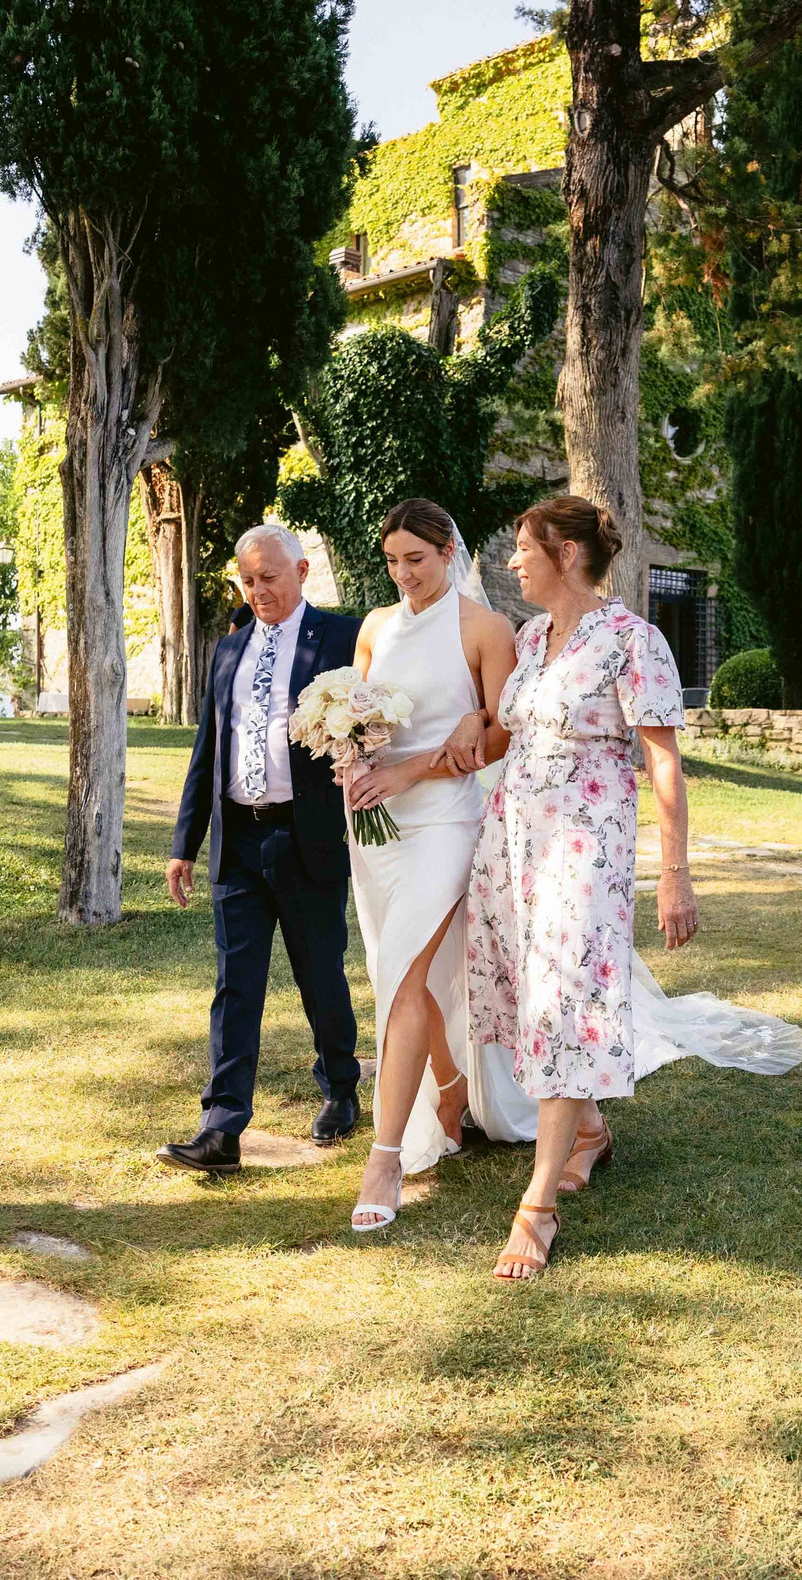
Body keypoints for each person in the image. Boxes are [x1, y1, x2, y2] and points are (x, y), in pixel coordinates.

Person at [465, 495, 802, 1280]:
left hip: (585, 852)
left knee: (564, 1001)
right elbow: (510, 728)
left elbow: (663, 764)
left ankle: (537, 1208)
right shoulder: (527, 637)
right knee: (528, 998)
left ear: (567, 554)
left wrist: (676, 873)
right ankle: (587, 1133)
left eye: (524, 548)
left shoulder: (633, 641)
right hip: (512, 844)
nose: (514, 561)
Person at [338, 500, 522, 1232]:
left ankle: (384, 1157)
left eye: (416, 558)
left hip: (445, 819)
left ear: (449, 552)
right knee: (398, 971)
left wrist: (412, 771)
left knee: (408, 973)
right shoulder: (375, 626)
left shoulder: (485, 629)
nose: (403, 573)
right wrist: (345, 755)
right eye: (392, 561)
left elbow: (501, 737)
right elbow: (355, 715)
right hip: (375, 827)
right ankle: (448, 1087)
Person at [161, 525, 366, 1174]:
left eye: (269, 577)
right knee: (235, 985)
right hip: (239, 840)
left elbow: (373, 724)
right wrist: (184, 843)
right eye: (248, 580)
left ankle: (340, 1085)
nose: (257, 590)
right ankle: (221, 1127)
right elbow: (206, 752)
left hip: (305, 837)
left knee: (320, 975)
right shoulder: (226, 651)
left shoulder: (341, 637)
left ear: (301, 570)